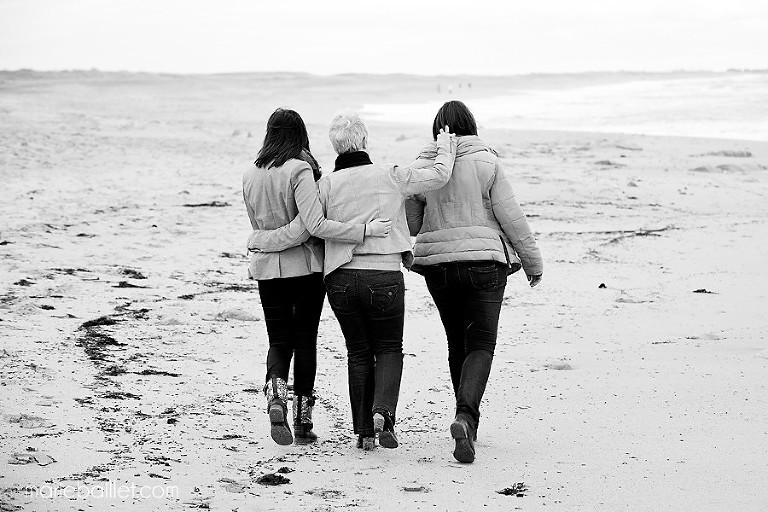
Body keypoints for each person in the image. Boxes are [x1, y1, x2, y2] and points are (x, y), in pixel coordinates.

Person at [247, 110, 457, 450]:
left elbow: (298, 225)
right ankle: (370, 416)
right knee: (379, 348)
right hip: (357, 272)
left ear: (334, 145)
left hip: (323, 276)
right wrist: (445, 145)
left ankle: (350, 427)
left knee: (350, 351)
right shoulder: (383, 174)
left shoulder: (313, 182)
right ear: (364, 140)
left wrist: (260, 241)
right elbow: (438, 176)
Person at [242, 108, 391, 446]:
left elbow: (257, 227)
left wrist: (262, 241)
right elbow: (312, 225)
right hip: (306, 269)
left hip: (267, 270)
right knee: (305, 339)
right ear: (301, 136)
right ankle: (303, 422)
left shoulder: (250, 173)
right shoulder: (300, 169)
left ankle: (276, 393)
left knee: (279, 341)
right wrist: (363, 230)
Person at [405, 100, 543, 463]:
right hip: (485, 264)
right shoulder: (488, 163)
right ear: (471, 125)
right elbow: (511, 217)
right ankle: (466, 417)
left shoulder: (424, 168)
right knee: (481, 342)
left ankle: (464, 420)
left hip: (438, 266)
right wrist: (532, 262)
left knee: (457, 343)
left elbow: (412, 225)